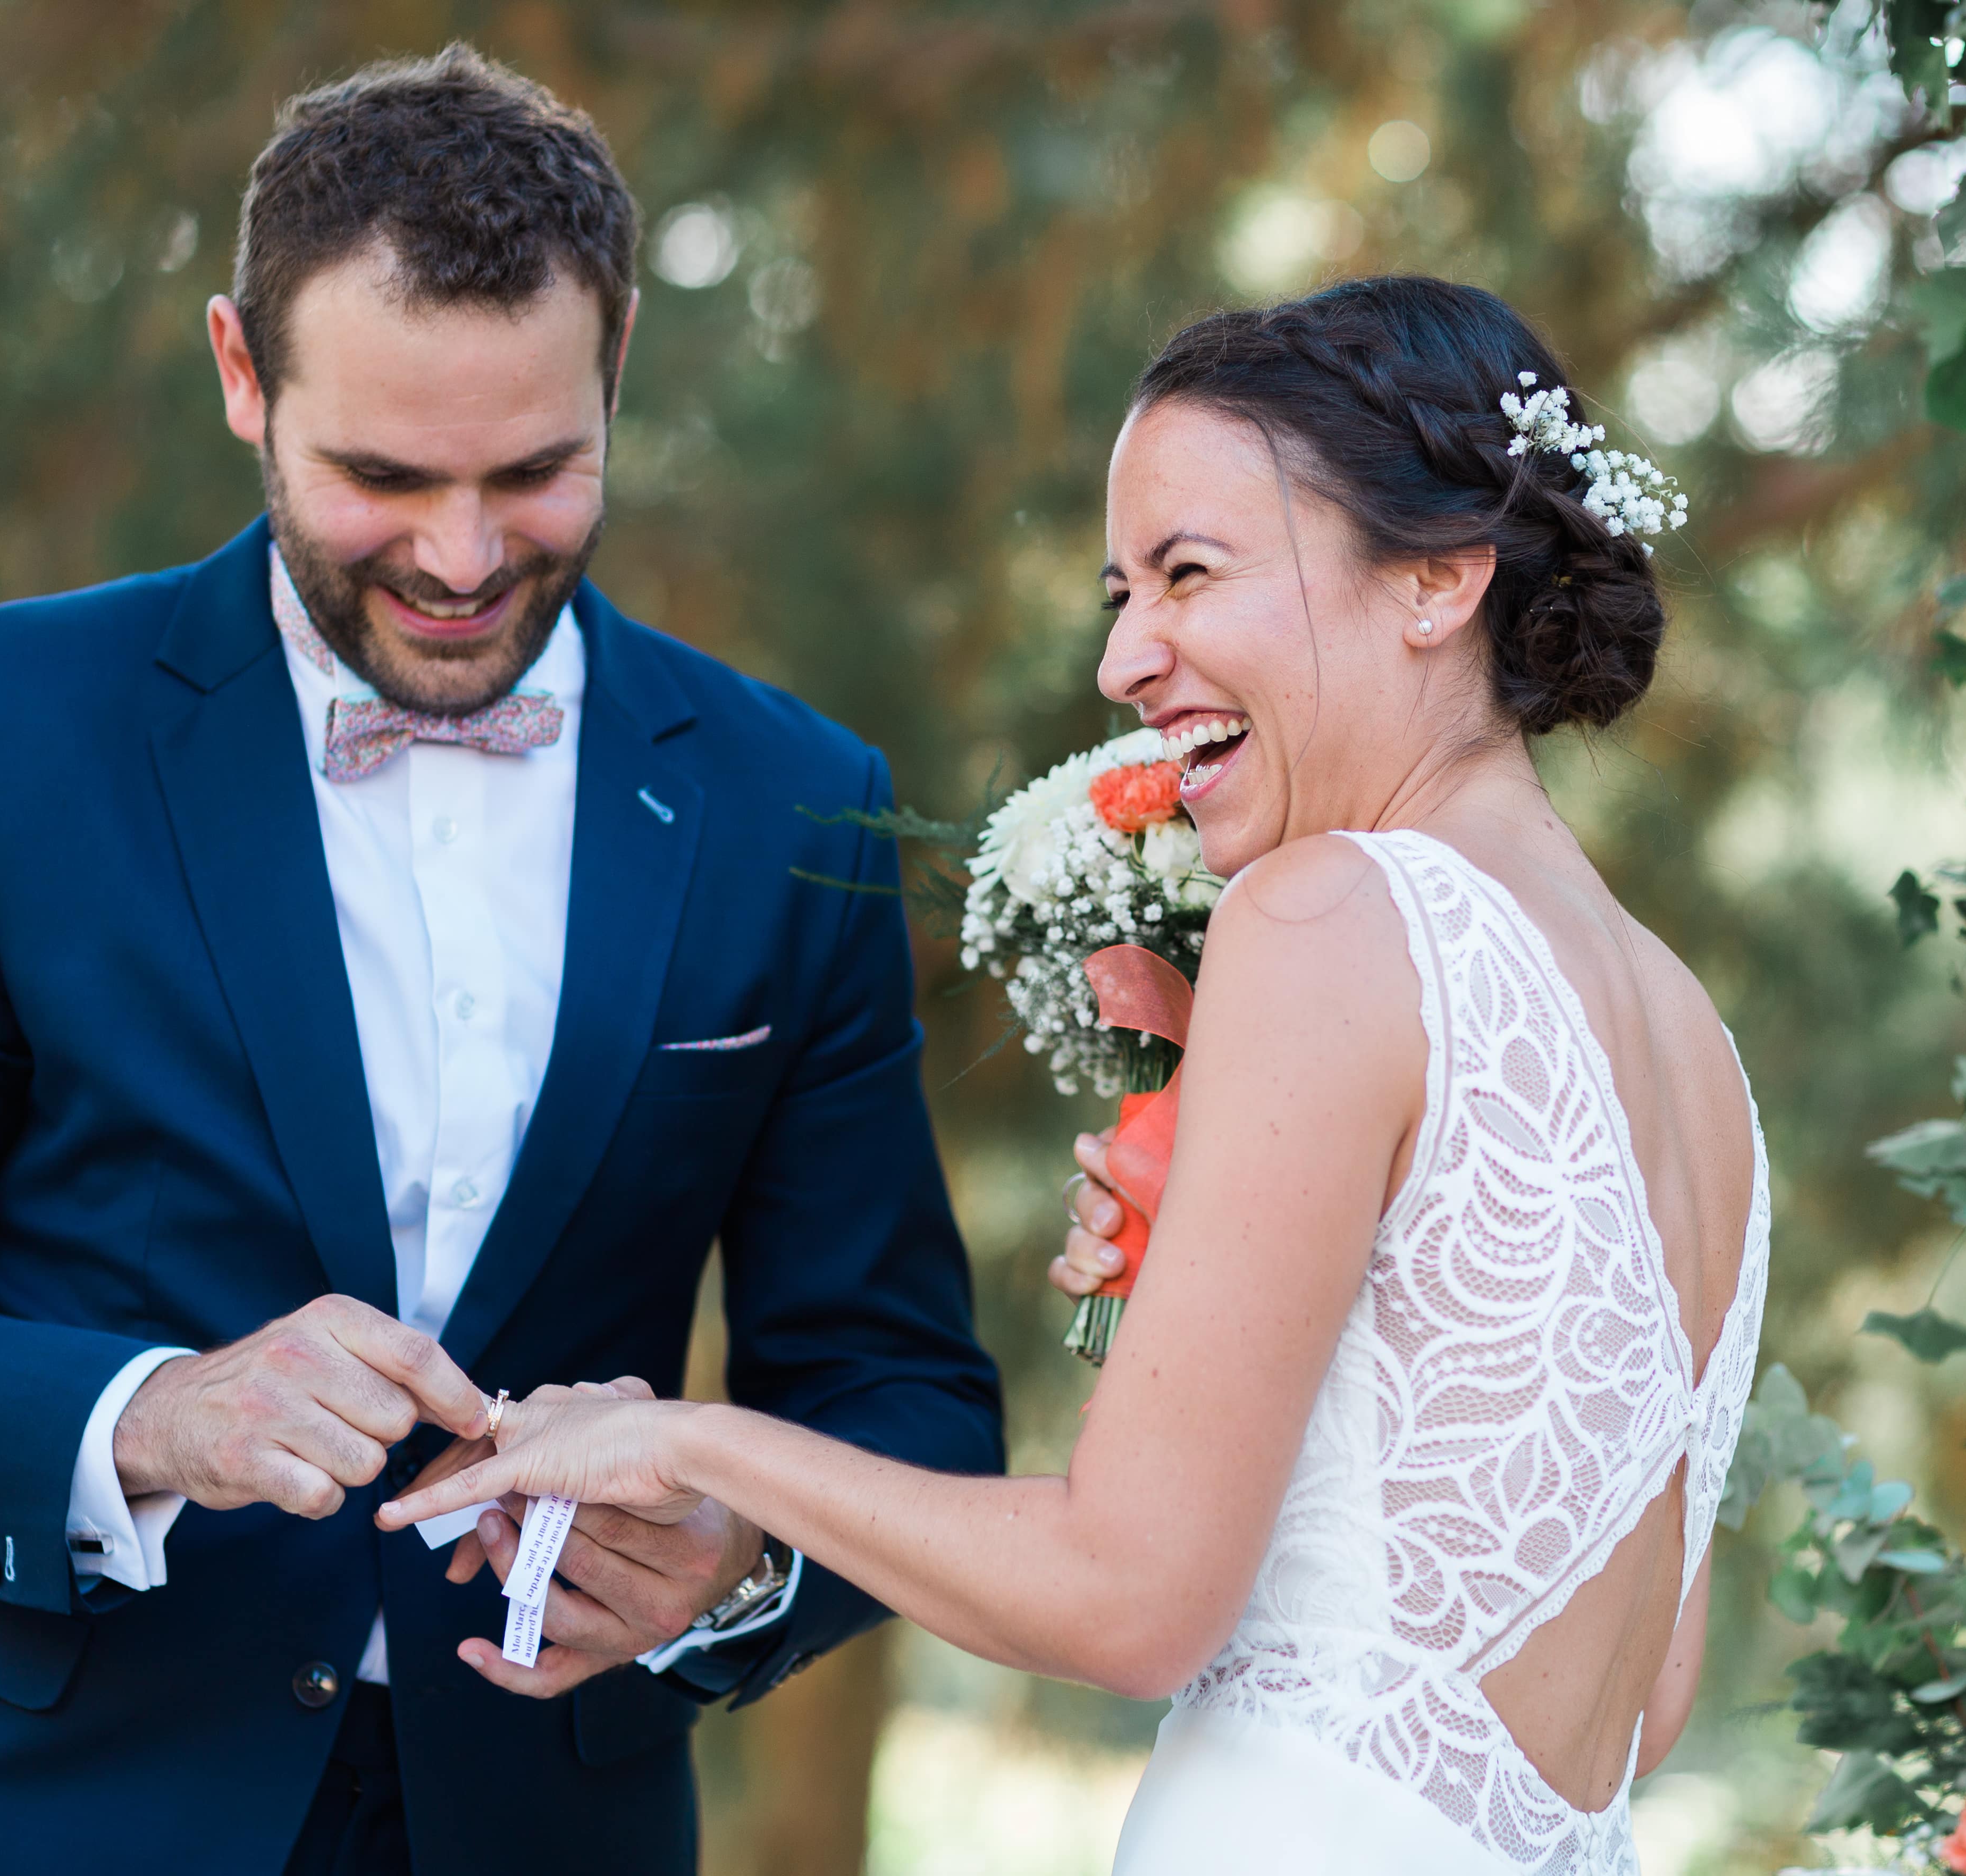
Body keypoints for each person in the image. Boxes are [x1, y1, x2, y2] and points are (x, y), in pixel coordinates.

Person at [0, 45, 1002, 1876]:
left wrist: (735, 1556)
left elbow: (902, 1393)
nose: (464, 557)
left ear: (619, 364)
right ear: (243, 376)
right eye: (384, 475)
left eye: (538, 471)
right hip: (34, 1818)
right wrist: (155, 1416)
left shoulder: (792, 803)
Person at [387, 274, 1771, 1874]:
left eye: (1189, 575)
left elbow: (1127, 1601)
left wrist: (687, 1443)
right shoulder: (1689, 1044)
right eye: (1121, 593)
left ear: (1437, 581)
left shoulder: (1328, 916)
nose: (1126, 658)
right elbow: (1643, 1700)